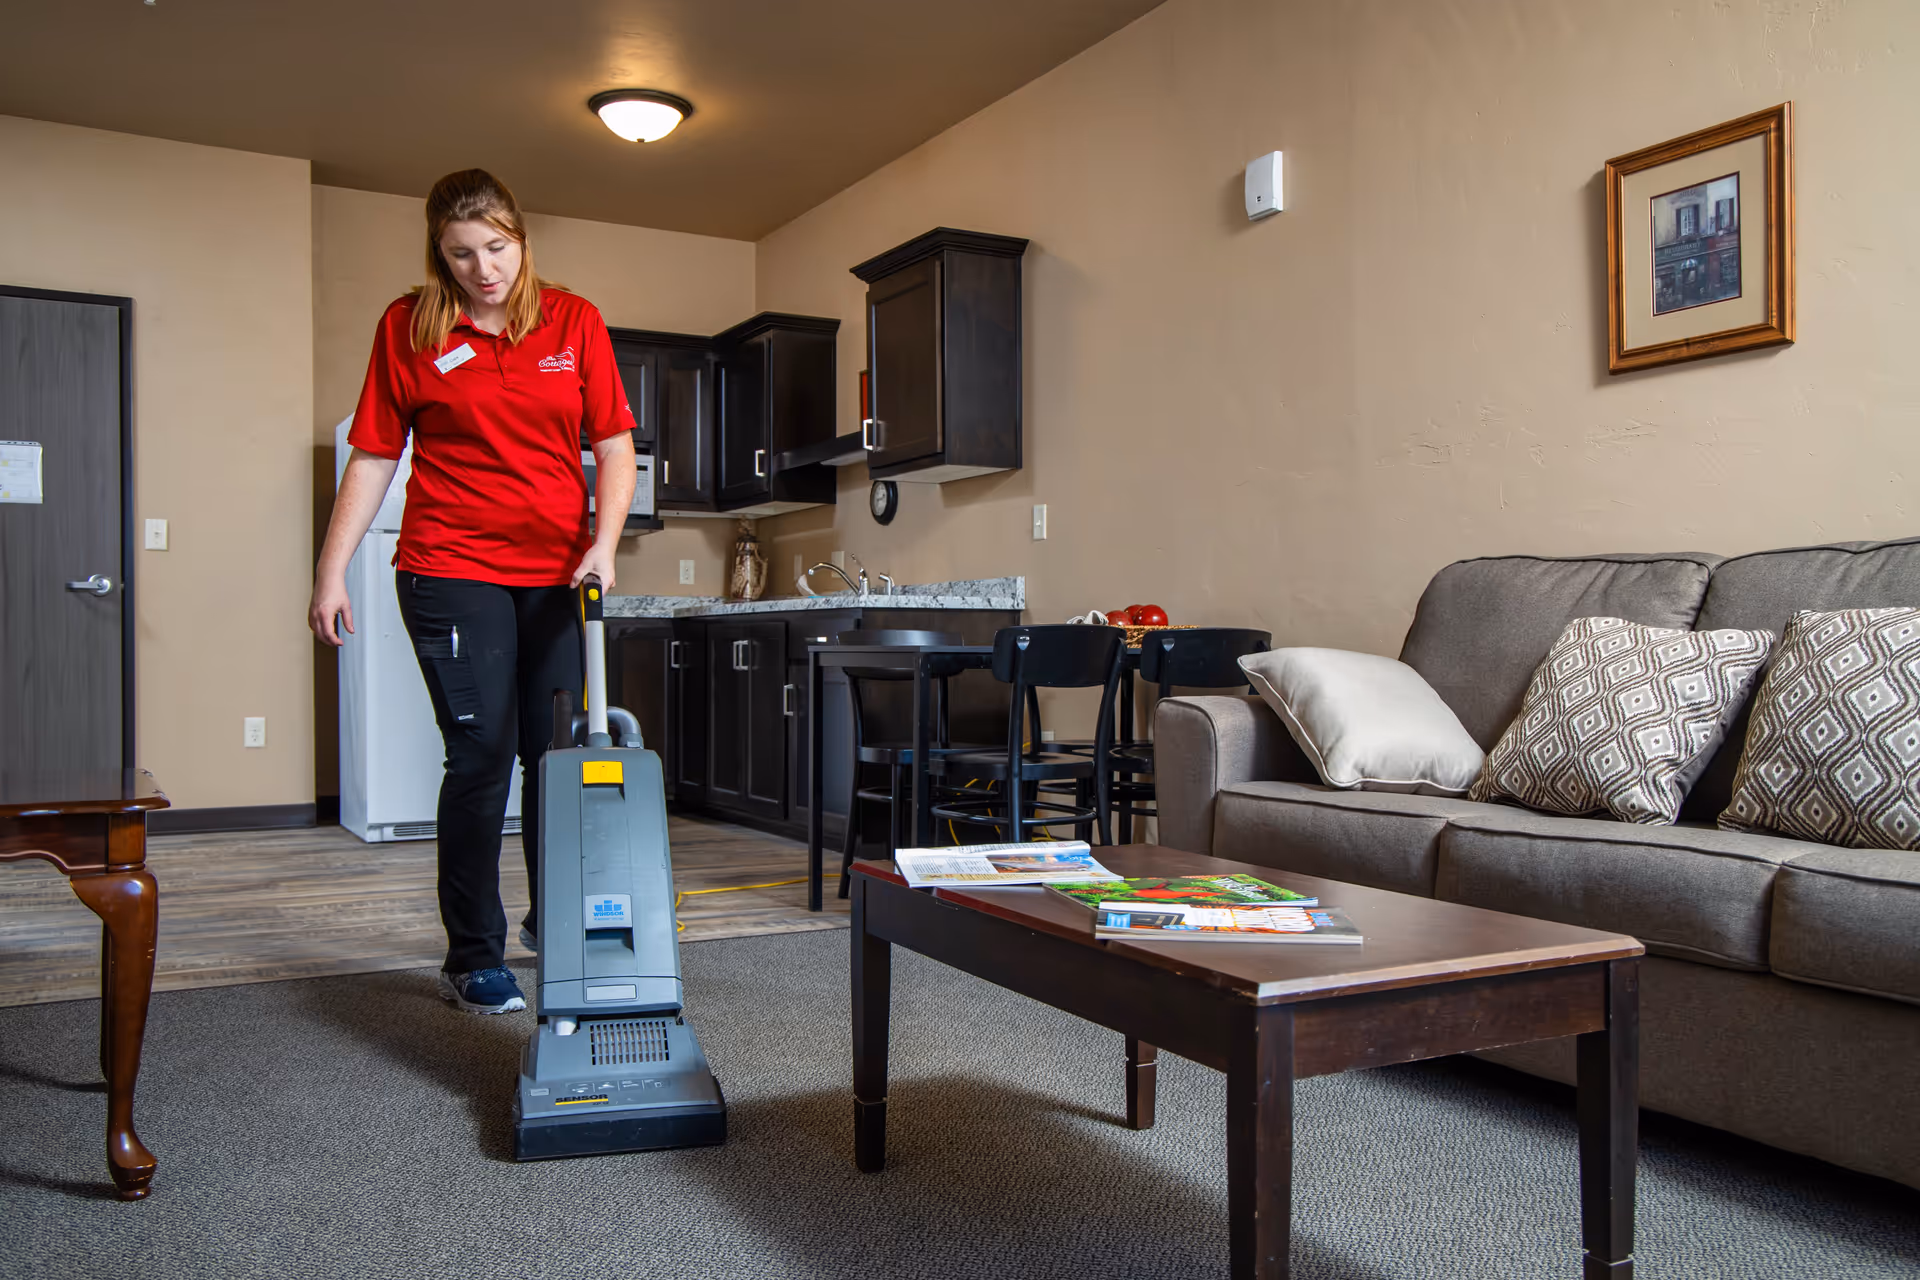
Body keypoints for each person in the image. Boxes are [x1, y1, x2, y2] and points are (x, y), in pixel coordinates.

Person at [309, 168, 637, 1014]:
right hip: (450, 566)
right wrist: (331, 567)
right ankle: (473, 953)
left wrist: (603, 544)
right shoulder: (410, 328)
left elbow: (611, 445)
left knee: (555, 757)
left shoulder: (574, 321)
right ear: (439, 254)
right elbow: (376, 453)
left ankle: (552, 921)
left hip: (560, 572)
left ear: (520, 240)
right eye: (462, 254)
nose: (483, 269)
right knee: (484, 754)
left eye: (496, 248)